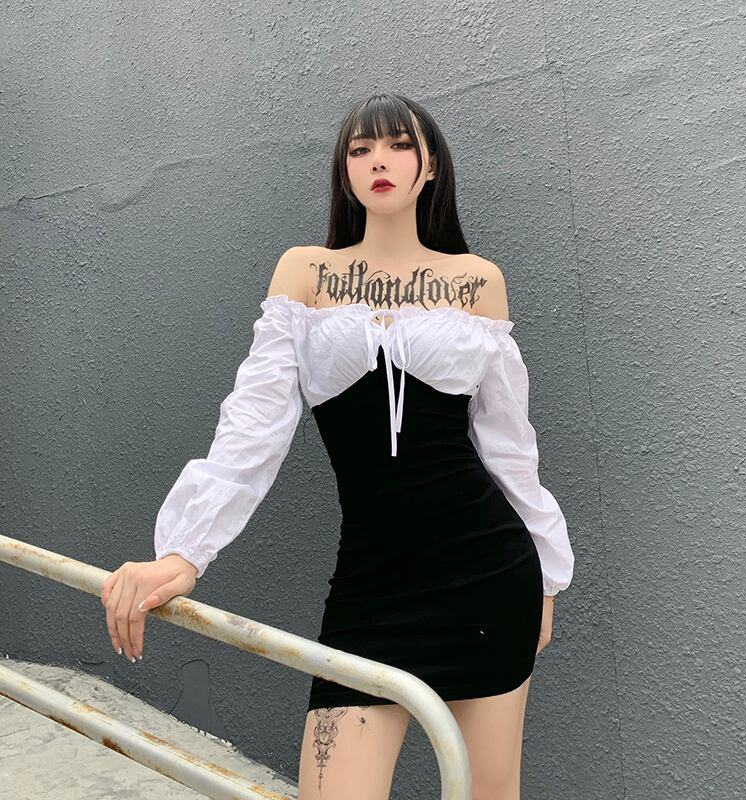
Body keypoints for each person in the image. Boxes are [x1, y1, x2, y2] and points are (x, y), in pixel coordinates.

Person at [101, 91, 575, 800]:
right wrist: (184, 550)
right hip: (370, 587)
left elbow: (511, 449)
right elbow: (253, 423)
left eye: (399, 145)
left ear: (431, 167)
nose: (379, 160)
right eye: (360, 149)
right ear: (344, 170)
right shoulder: (305, 274)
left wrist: (547, 577)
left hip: (486, 576)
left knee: (488, 793)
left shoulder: (478, 283)